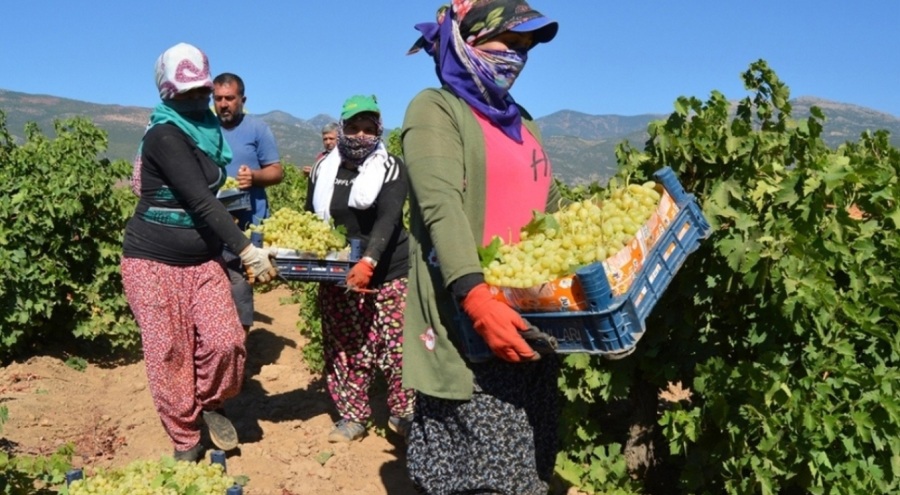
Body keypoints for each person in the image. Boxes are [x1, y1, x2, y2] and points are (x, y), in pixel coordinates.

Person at [400, 1, 562, 493]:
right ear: (469, 42)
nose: (518, 57)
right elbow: (441, 206)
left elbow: (550, 208)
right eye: (509, 42)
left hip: (529, 317)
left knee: (530, 464)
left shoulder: (522, 122)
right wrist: (475, 296)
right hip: (469, 322)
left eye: (526, 48)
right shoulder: (435, 109)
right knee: (484, 473)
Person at [121, 42, 277, 462]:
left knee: (227, 342)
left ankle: (210, 403)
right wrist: (247, 250)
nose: (196, 99)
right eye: (186, 91)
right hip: (152, 263)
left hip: (201, 260)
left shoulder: (206, 130)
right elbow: (200, 200)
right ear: (167, 92)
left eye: (201, 91)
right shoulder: (164, 135)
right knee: (168, 354)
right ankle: (185, 440)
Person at [304, 94, 415, 443]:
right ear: (342, 128)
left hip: (389, 270)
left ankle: (403, 413)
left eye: (369, 128)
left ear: (378, 130)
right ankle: (353, 416)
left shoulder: (391, 166)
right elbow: (310, 218)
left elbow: (388, 218)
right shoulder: (323, 168)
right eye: (354, 127)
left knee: (398, 345)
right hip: (339, 275)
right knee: (346, 347)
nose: (362, 135)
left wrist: (369, 260)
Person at [213, 72, 284, 332]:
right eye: (218, 98)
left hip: (247, 222)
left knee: (240, 281)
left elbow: (276, 172)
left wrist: (254, 177)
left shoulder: (258, 129)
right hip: (212, 218)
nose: (224, 104)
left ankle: (240, 341)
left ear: (242, 100)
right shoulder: (205, 130)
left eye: (230, 98)